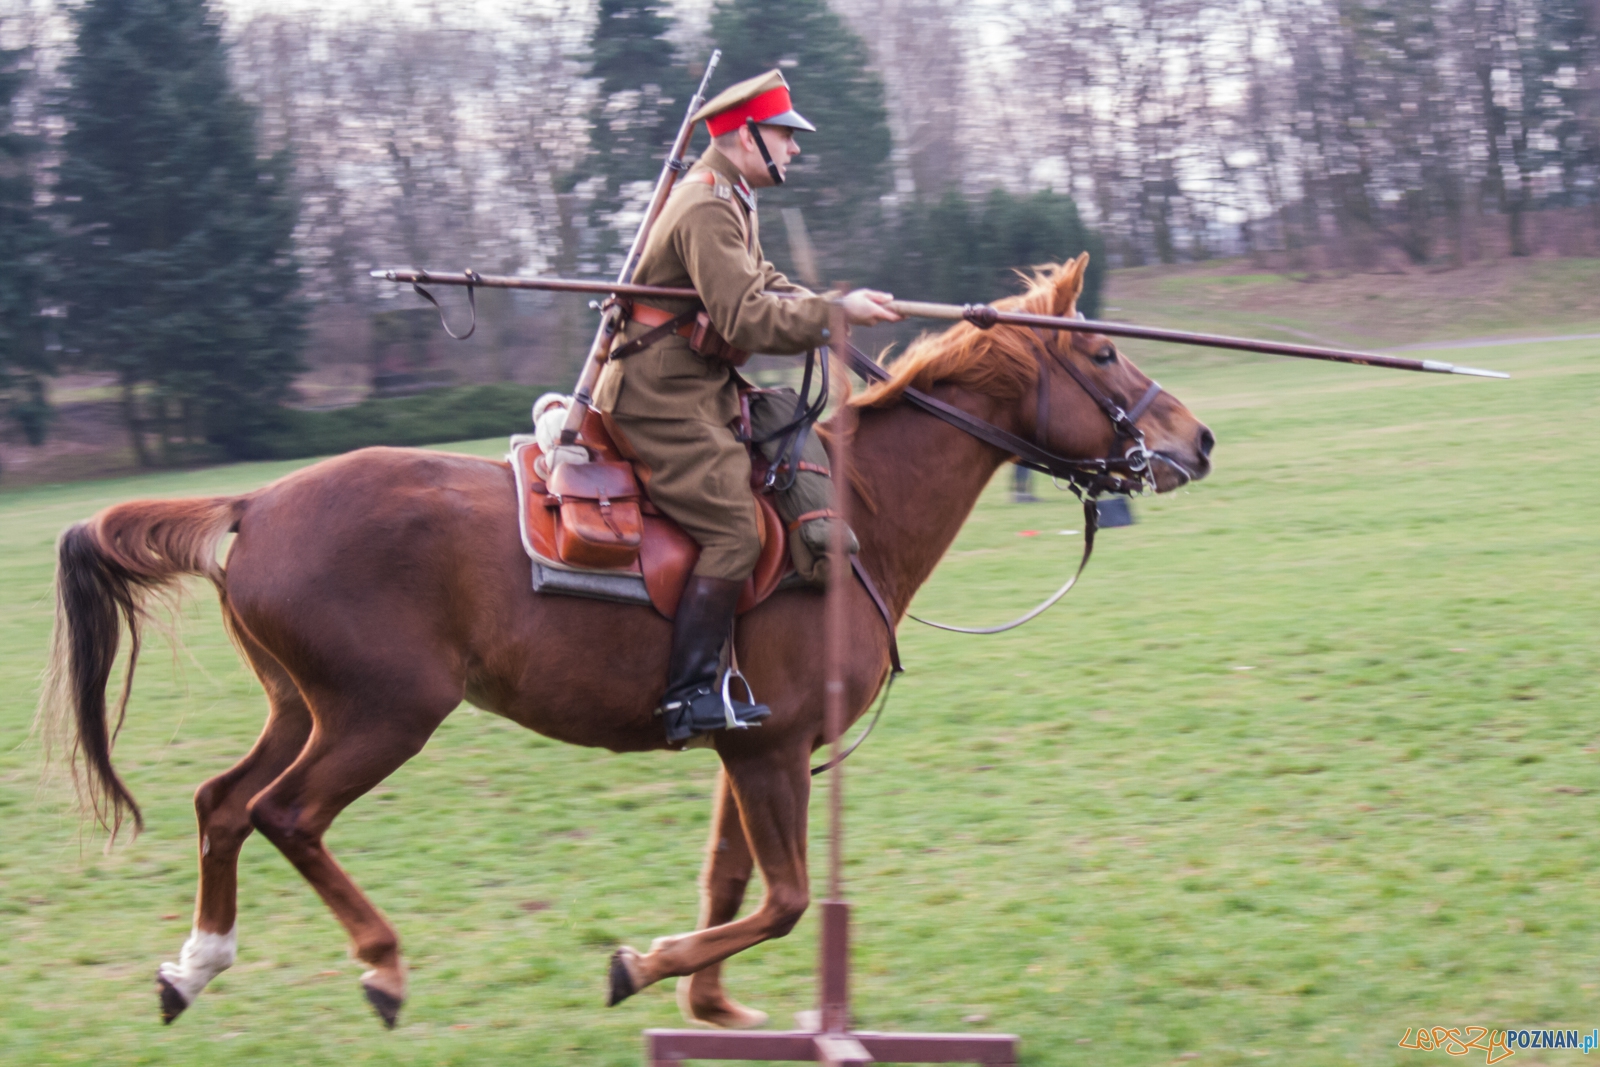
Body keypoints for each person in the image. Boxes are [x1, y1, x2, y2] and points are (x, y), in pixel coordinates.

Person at [591, 69, 900, 743]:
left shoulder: (732, 197)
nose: (795, 148)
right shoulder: (706, 204)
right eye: (785, 135)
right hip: (659, 398)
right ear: (744, 135)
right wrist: (831, 314)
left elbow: (765, 283)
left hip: (697, 389)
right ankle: (688, 696)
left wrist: (833, 307)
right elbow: (744, 316)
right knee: (736, 530)